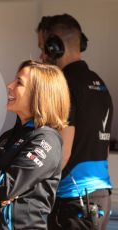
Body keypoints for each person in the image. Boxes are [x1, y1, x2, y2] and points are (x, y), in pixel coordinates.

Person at [0, 60, 70, 229]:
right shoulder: (7, 137)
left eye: (19, 83)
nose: (9, 86)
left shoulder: (46, 139)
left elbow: (5, 187)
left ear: (39, 94)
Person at [37, 14, 113, 229]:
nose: (41, 55)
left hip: (74, 200)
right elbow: (103, 149)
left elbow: (63, 151)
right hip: (100, 197)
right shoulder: (99, 84)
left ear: (55, 47)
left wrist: (35, 190)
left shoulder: (64, 84)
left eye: (43, 47)